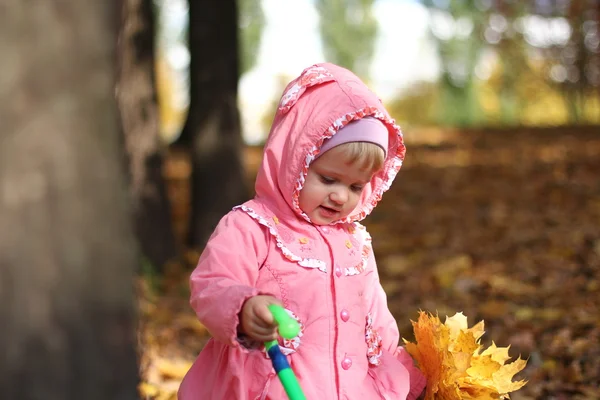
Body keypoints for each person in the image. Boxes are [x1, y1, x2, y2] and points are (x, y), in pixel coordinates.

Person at [178, 63, 426, 399]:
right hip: (272, 387)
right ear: (295, 159)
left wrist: (410, 381)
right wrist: (244, 308)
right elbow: (212, 284)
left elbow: (378, 327)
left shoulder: (355, 244)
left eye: (356, 186)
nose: (340, 196)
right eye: (327, 179)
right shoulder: (252, 226)